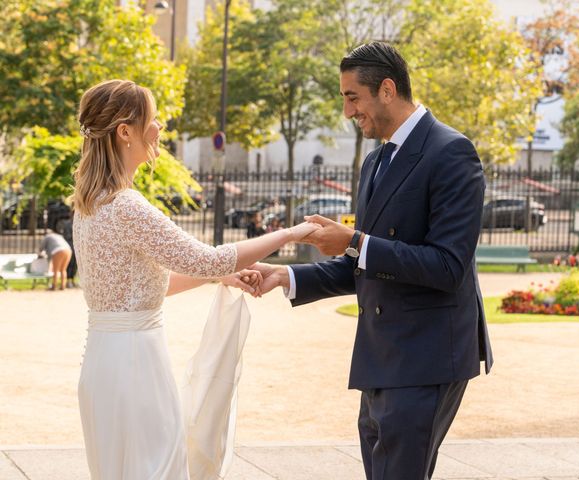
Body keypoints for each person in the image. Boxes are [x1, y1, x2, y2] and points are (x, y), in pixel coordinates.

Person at [253, 42, 493, 480]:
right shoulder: (376, 160)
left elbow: (447, 266)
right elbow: (362, 264)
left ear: (386, 89)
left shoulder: (451, 152)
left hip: (427, 354)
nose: (348, 112)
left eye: (352, 97)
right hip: (382, 356)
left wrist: (357, 241)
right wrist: (283, 275)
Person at [72, 79, 318, 479]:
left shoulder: (89, 205)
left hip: (103, 365)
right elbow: (210, 258)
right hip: (137, 369)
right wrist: (290, 233)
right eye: (154, 121)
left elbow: (147, 288)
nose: (159, 130)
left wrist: (220, 279)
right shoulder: (126, 206)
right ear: (125, 132)